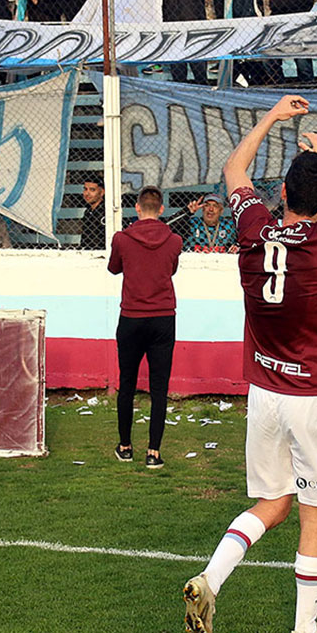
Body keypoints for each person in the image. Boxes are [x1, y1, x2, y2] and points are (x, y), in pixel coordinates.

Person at [183, 94, 317, 633]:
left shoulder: (253, 227)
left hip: (264, 391)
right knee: (312, 516)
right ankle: (305, 630)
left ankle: (210, 579)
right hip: (313, 394)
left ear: (285, 193)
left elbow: (232, 170)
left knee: (272, 503)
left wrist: (271, 117)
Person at [107, 185, 183, 468]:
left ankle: (125, 445)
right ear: (161, 209)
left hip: (131, 317)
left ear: (137, 208)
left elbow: (114, 268)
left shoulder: (122, 239)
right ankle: (154, 451)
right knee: (159, 387)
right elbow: (171, 269)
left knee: (127, 383)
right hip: (163, 317)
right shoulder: (174, 240)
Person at [79, 179, 105, 249]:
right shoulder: (88, 212)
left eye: (92, 190)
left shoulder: (105, 212)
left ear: (102, 192)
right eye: (85, 189)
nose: (87, 193)